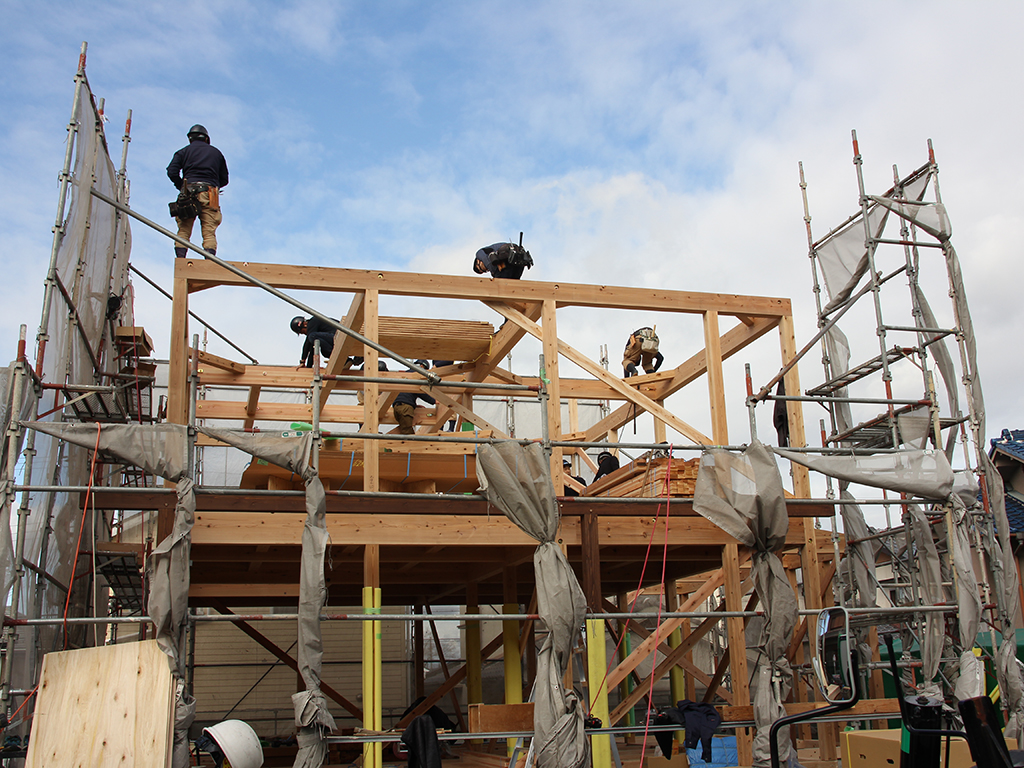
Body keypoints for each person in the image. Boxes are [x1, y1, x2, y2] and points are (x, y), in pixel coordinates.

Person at [167, 124, 229, 258]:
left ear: (190, 139)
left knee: (184, 229)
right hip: (209, 194)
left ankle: (181, 261)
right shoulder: (216, 153)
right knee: (209, 231)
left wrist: (181, 186)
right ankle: (209, 261)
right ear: (206, 138)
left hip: (187, 193)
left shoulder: (183, 152)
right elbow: (224, 179)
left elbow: (171, 171)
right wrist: (213, 184)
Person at [392, 361, 435, 434]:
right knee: (408, 435)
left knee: (404, 429)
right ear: (421, 366)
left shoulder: (405, 375)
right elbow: (420, 391)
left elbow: (406, 394)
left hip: (397, 406)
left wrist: (414, 405)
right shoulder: (416, 376)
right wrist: (434, 401)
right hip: (405, 408)